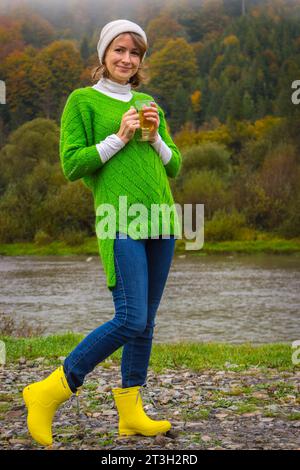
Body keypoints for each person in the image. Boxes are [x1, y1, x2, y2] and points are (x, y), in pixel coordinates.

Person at [22, 19, 182, 447]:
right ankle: (49, 390)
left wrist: (153, 139)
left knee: (145, 323)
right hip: (118, 220)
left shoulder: (150, 102)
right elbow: (72, 164)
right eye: (120, 50)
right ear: (103, 54)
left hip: (162, 221)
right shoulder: (82, 101)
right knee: (129, 317)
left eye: (135, 53)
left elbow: (175, 164)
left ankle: (130, 411)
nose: (127, 59)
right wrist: (118, 137)